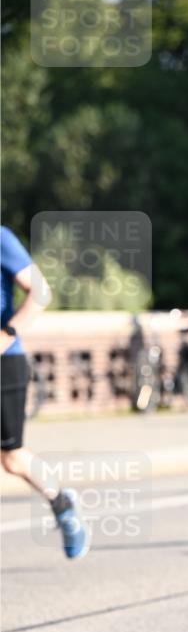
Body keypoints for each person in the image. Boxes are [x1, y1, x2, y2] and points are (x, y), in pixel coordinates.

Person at [1, 225, 90, 558]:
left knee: (11, 459)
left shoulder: (2, 238)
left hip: (4, 362)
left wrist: (7, 334)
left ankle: (62, 502)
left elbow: (40, 293)